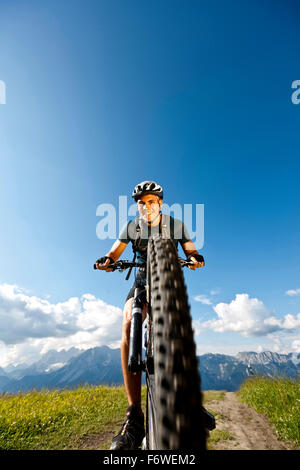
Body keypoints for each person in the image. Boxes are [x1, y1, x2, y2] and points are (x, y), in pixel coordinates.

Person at [95, 181, 205, 450]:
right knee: (127, 325)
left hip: (167, 280)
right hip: (142, 279)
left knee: (177, 329)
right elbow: (115, 250)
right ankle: (134, 416)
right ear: (138, 206)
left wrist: (194, 257)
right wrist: (108, 260)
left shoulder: (175, 225)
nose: (146, 206)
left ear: (160, 204)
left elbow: (190, 248)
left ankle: (187, 400)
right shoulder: (132, 227)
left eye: (151, 201)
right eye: (141, 203)